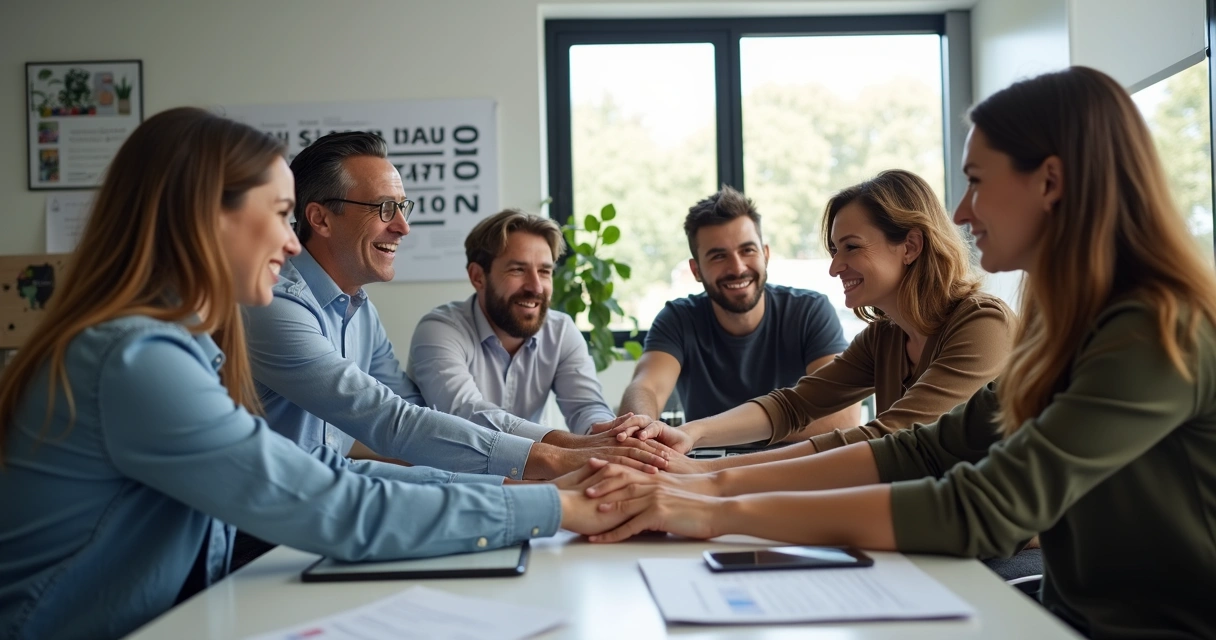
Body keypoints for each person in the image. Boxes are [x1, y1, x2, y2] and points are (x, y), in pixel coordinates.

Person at [583, 67, 1216, 638]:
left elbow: (978, 502)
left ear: (1049, 181)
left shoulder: (1153, 329)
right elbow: (925, 447)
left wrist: (717, 504)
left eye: (974, 182)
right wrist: (708, 479)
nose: (962, 211)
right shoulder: (1067, 327)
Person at [0, 108, 641, 640]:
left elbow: (340, 468)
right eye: (280, 214)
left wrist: (532, 481)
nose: (289, 241)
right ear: (205, 216)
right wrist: (555, 501)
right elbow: (336, 497)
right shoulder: (138, 361)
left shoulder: (174, 345)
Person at [241, 131, 667, 483]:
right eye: (385, 208)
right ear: (320, 219)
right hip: (258, 537)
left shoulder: (359, 310)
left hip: (314, 505)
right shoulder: (276, 303)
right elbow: (394, 422)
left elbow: (414, 417)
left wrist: (585, 449)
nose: (403, 227)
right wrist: (559, 458)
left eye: (402, 208)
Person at [626, 170, 1014, 472]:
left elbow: (885, 439)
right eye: (834, 249)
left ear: (910, 246)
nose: (834, 267)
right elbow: (794, 405)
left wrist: (710, 472)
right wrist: (691, 434)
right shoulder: (885, 337)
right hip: (934, 524)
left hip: (1006, 547)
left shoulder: (983, 326)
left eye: (851, 248)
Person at [618, 185, 858, 440]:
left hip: (791, 466)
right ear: (696, 270)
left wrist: (699, 433)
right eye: (718, 256)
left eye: (747, 250)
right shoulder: (678, 318)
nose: (737, 267)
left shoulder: (809, 311)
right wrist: (640, 427)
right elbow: (647, 387)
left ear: (765, 254)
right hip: (704, 471)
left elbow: (841, 418)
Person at [409, 209, 625, 444]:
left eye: (544, 271)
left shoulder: (561, 331)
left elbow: (586, 407)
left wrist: (607, 435)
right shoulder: (439, 329)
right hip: (449, 475)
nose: (536, 287)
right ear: (478, 277)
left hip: (529, 475)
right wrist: (569, 445)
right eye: (518, 270)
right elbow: (466, 416)